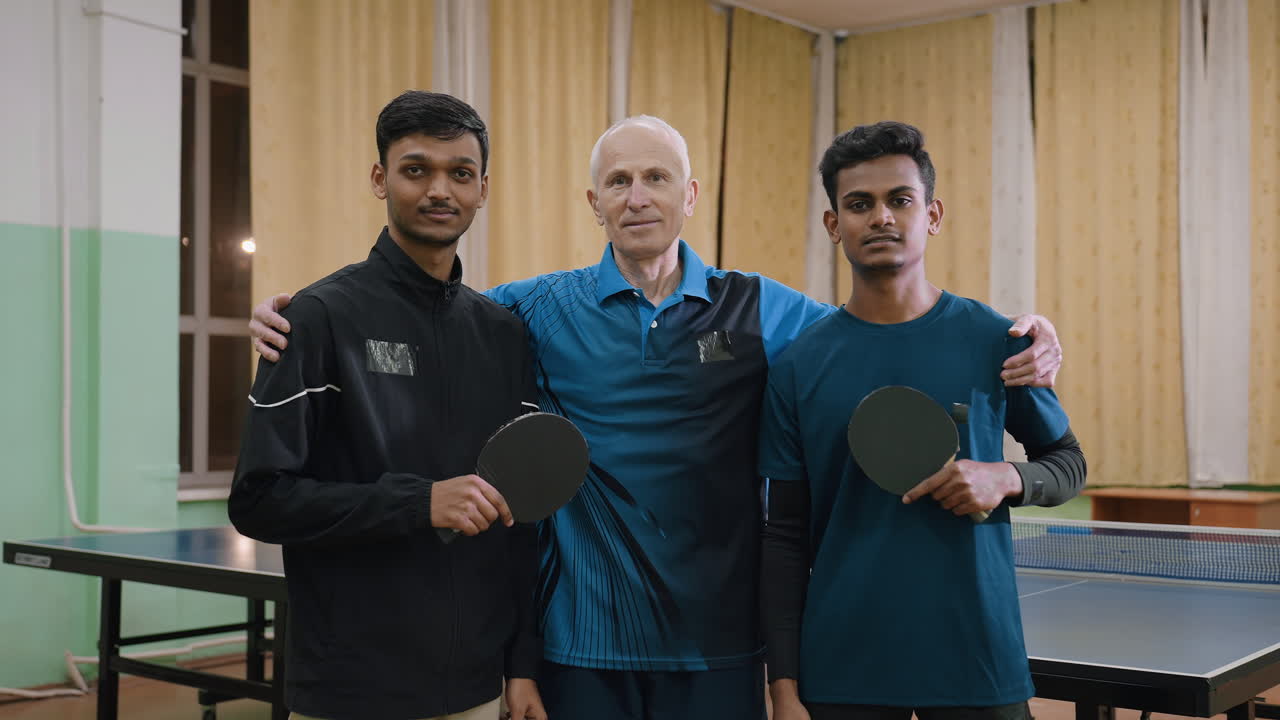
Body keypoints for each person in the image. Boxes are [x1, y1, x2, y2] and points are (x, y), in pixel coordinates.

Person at [248, 115, 1066, 720]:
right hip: (580, 643)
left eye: (657, 178)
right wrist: (296, 314)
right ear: (594, 202)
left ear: (690, 194)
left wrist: (1027, 336)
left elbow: (880, 334)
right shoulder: (530, 309)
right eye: (618, 182)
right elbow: (424, 312)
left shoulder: (762, 308)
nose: (637, 197)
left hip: (720, 640)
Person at [228, 91, 546, 720]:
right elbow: (258, 498)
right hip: (351, 690)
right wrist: (418, 502)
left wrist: (521, 665)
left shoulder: (504, 334)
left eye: (460, 173)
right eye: (415, 169)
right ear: (381, 178)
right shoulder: (316, 319)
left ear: (484, 189)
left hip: (477, 689)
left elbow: (518, 520)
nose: (439, 190)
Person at [757, 121, 1087, 720]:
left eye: (899, 200)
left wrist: (1006, 478)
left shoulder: (998, 339)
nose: (881, 216)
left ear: (931, 215)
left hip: (977, 659)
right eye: (859, 204)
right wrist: (783, 684)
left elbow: (1068, 464)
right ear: (835, 225)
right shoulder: (798, 366)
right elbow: (783, 536)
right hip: (842, 666)